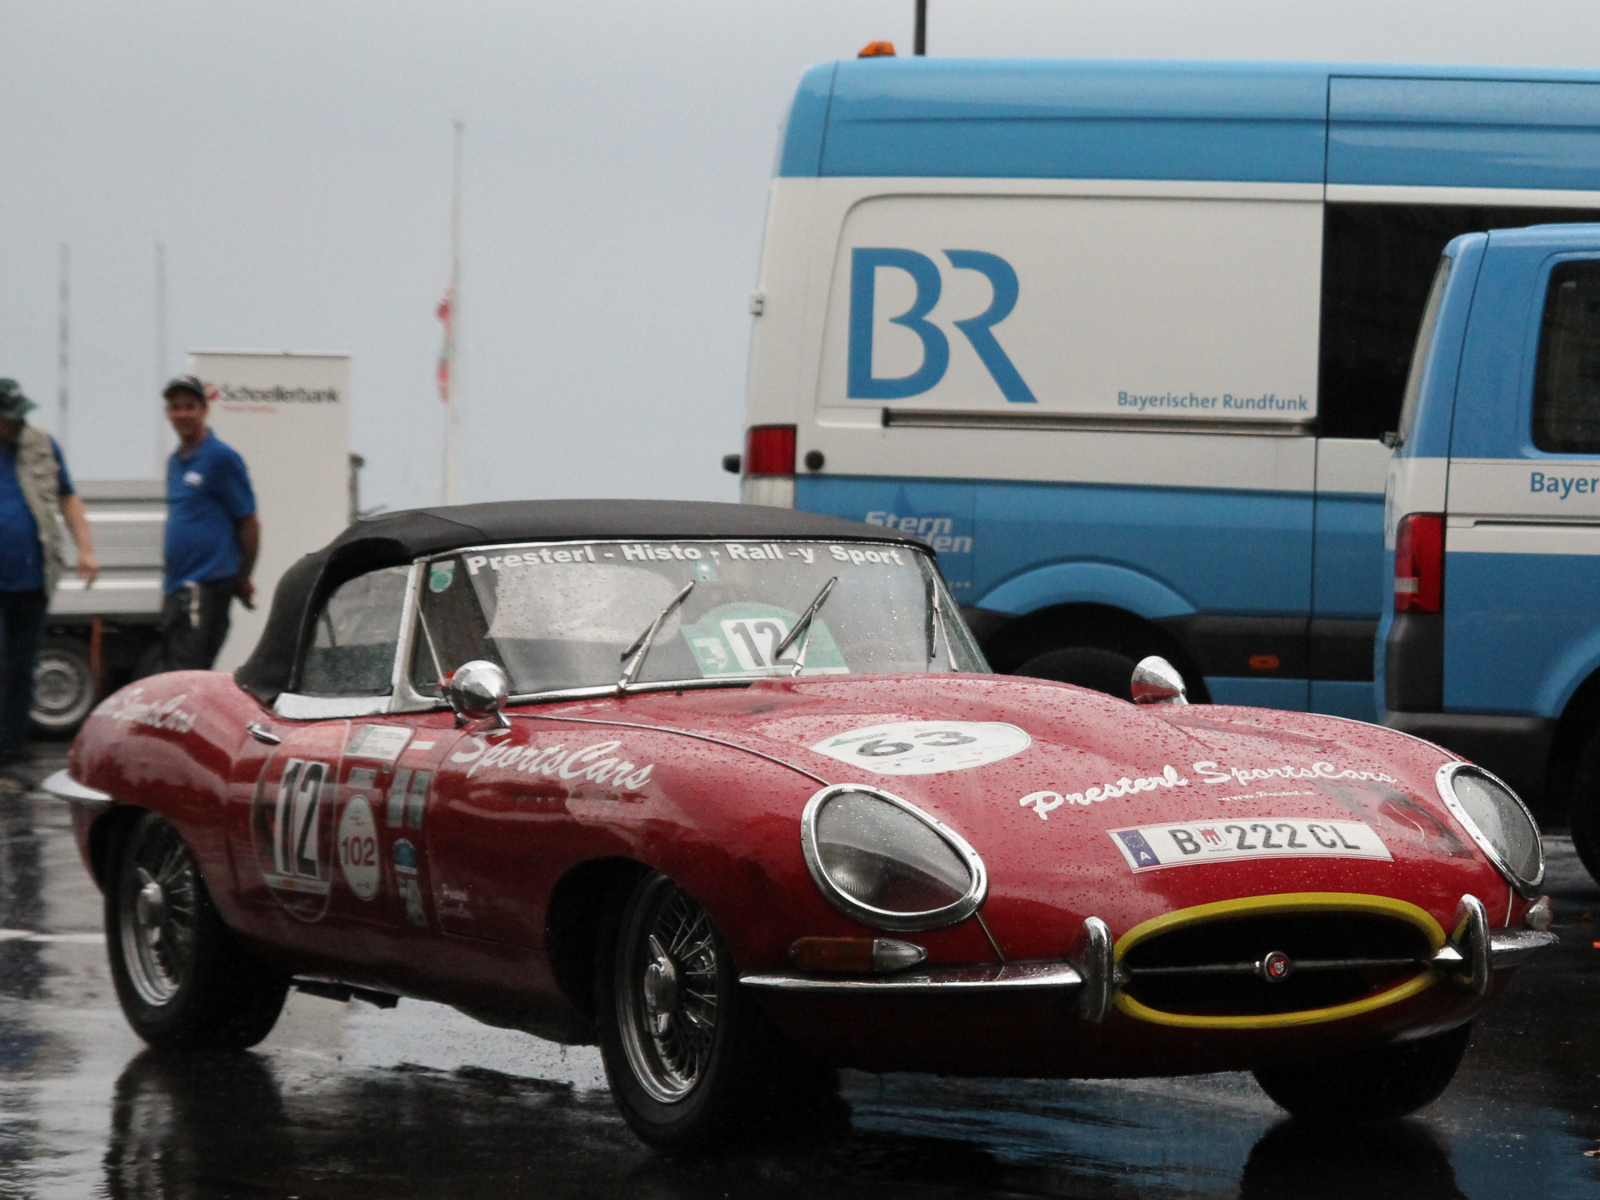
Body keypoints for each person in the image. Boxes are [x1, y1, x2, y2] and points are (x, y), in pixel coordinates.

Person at [0, 379, 98, 772]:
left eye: (21, 416)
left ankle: (11, 754)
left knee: (22, 668)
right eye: (10, 418)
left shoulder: (40, 444)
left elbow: (68, 497)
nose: (18, 424)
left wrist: (86, 549)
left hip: (32, 580)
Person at [161, 375, 259, 671]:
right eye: (176, 408)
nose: (183, 414)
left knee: (191, 667)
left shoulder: (221, 458)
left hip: (209, 582)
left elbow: (249, 521)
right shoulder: (175, 461)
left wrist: (243, 577)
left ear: (204, 410)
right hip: (178, 584)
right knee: (173, 666)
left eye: (190, 407)